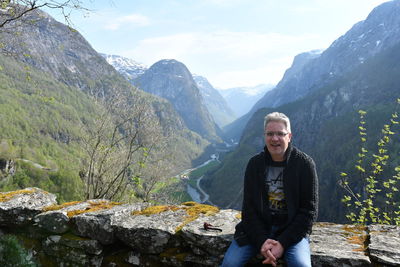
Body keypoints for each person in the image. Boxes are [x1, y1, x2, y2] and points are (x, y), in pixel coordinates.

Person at [221, 112, 318, 267]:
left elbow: (308, 212)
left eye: (280, 133)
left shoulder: (305, 165)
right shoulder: (255, 165)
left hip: (291, 232)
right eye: (270, 134)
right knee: (230, 263)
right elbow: (249, 209)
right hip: (257, 230)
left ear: (289, 136)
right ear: (264, 136)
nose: (275, 139)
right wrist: (261, 241)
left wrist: (283, 243)